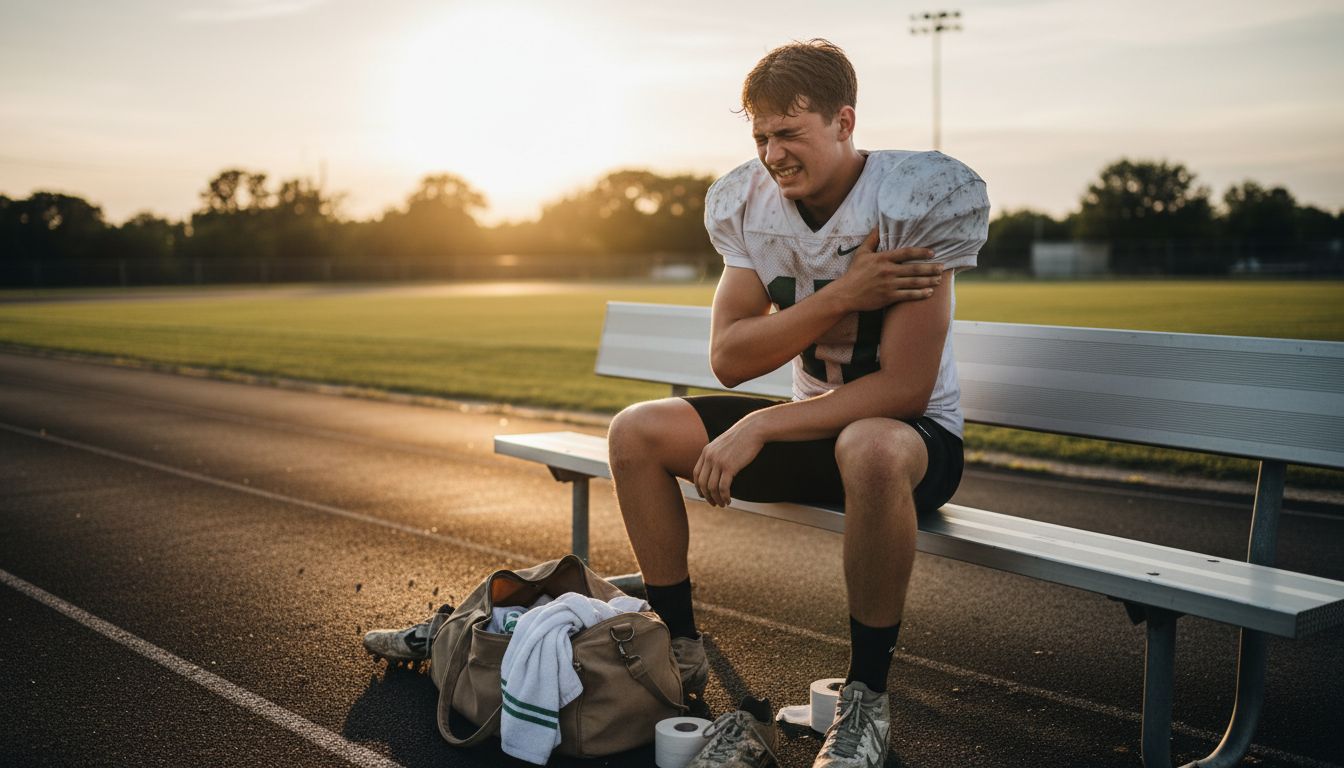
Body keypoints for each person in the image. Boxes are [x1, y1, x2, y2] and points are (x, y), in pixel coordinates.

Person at [608, 39, 988, 768]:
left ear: (845, 121)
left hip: (910, 446)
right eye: (760, 135)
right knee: (637, 431)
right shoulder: (750, 203)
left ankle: (866, 700)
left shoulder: (911, 202)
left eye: (790, 133)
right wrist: (846, 294)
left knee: (869, 444)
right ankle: (678, 649)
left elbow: (906, 388)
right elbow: (729, 358)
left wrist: (762, 424)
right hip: (814, 434)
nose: (772, 154)